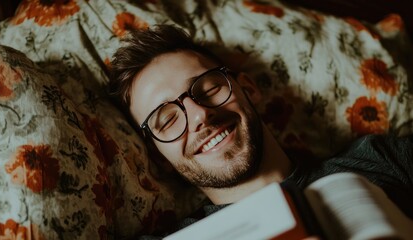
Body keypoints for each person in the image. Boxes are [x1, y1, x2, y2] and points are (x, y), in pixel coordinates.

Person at [108, 24, 413, 238]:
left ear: (249, 89)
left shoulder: (380, 159)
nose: (200, 115)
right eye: (167, 119)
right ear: (159, 157)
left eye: (208, 87)